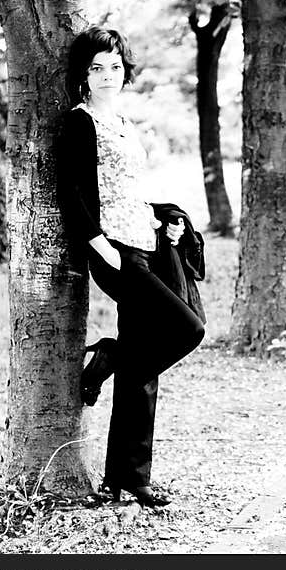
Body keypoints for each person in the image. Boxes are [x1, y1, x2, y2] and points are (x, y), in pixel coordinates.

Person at [56, 27, 205, 508]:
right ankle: (109, 358)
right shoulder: (81, 123)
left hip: (146, 243)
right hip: (116, 252)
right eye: (96, 68)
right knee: (189, 329)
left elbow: (132, 190)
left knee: (143, 369)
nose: (107, 75)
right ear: (82, 74)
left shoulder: (122, 120)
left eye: (114, 67)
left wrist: (168, 224)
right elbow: (73, 193)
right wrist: (103, 248)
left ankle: (127, 478)